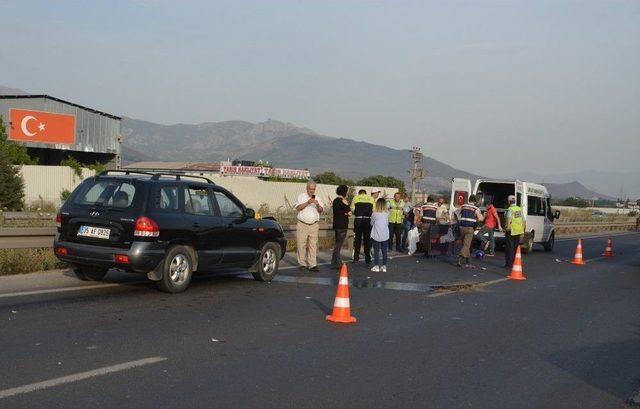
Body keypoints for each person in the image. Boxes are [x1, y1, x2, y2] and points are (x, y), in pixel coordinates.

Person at [295, 181, 324, 271]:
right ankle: (302, 263)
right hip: (302, 224)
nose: (312, 191)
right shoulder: (301, 196)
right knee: (301, 244)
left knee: (313, 245)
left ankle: (312, 264)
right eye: (310, 189)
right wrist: (308, 202)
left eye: (313, 189)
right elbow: (298, 208)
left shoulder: (318, 198)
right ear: (307, 188)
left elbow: (321, 210)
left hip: (314, 225)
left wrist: (317, 204)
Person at [457, 194, 484, 267]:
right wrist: (477, 220)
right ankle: (460, 258)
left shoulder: (463, 206)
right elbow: (481, 219)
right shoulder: (475, 208)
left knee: (466, 244)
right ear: (475, 201)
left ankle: (468, 260)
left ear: (469, 200)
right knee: (466, 244)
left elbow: (456, 214)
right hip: (469, 228)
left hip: (461, 227)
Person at [351, 188, 376, 265]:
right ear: (365, 193)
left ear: (359, 193)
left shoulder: (356, 198)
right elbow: (374, 211)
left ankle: (356, 258)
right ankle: (367, 259)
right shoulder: (371, 198)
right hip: (367, 220)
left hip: (358, 220)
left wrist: (357, 213)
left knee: (357, 239)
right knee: (367, 240)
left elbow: (352, 209)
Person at [331, 185, 351, 269]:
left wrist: (344, 213)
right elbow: (349, 213)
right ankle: (337, 263)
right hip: (342, 225)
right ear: (344, 192)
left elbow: (338, 212)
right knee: (338, 245)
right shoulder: (343, 201)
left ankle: (334, 262)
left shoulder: (335, 201)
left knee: (337, 243)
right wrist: (346, 206)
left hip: (336, 224)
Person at [504, 195, 525, 270]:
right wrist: (522, 232)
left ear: (509, 201)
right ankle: (514, 263)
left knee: (509, 248)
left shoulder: (510, 209)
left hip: (511, 231)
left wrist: (507, 228)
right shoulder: (519, 209)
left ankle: (508, 264)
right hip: (518, 231)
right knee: (515, 248)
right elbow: (523, 220)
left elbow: (508, 219)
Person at [370, 197, 390, 272]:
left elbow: (371, 223)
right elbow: (387, 223)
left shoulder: (374, 213)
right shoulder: (387, 213)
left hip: (376, 234)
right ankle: (384, 266)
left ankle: (376, 266)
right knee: (384, 251)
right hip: (385, 234)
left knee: (376, 251)